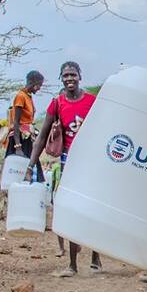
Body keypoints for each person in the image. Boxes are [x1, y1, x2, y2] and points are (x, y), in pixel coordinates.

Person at [28, 61, 101, 276]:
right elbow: (42, 136)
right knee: (70, 208)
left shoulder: (92, 102)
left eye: (73, 75)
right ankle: (72, 265)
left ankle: (96, 258)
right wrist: (31, 165)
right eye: (66, 75)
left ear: (80, 77)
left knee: (93, 209)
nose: (69, 79)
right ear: (61, 78)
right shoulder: (57, 104)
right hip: (68, 160)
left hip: (91, 160)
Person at [6, 70, 44, 158]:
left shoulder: (28, 96)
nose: (39, 88)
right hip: (20, 138)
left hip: (27, 136)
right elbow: (16, 122)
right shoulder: (21, 96)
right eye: (39, 85)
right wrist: (18, 147)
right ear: (33, 82)